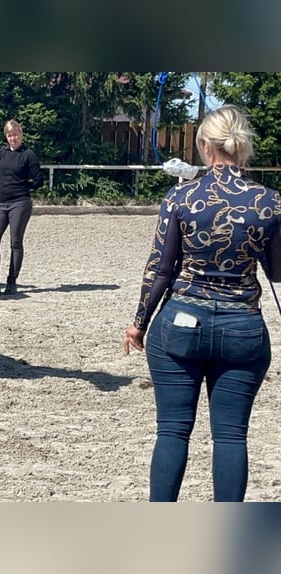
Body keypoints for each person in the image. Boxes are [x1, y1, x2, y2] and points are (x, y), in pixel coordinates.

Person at [123, 104, 281, 502]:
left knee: (172, 430)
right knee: (231, 435)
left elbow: (160, 268)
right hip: (242, 327)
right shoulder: (270, 202)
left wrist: (139, 322)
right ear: (242, 148)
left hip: (180, 322)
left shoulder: (181, 196)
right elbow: (277, 271)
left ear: (205, 147)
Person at [0, 119, 43, 296]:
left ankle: (12, 281)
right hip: (0, 202)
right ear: (6, 137)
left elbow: (38, 181)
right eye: (10, 135)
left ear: (21, 134)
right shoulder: (0, 154)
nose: (13, 138)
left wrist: (23, 185)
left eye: (16, 135)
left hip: (20, 202)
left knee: (15, 242)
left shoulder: (28, 155)